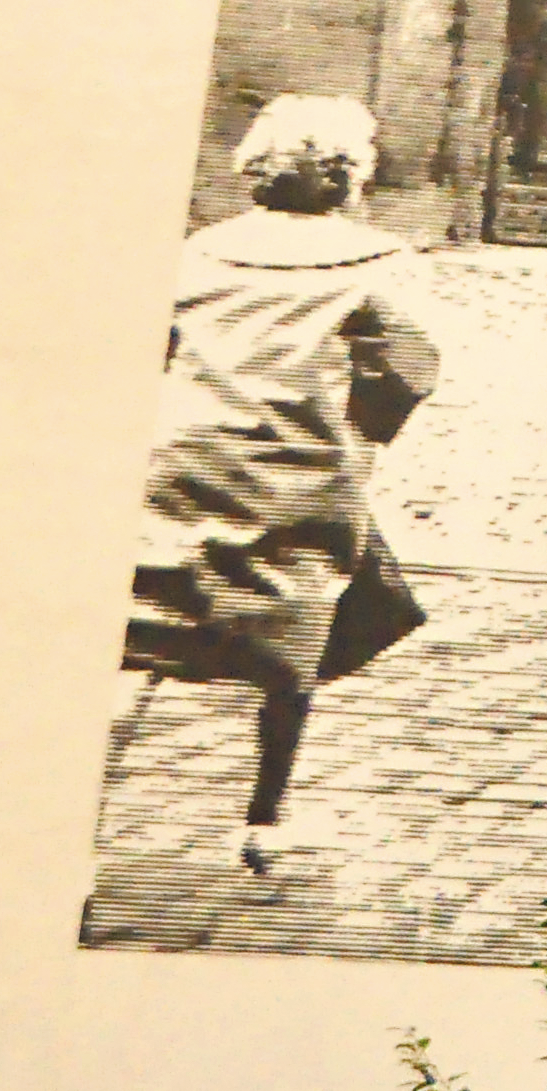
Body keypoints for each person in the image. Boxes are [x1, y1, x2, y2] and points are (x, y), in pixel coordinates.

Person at [127, 95, 439, 875]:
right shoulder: (379, 262)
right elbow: (408, 368)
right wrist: (361, 435)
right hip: (300, 474)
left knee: (147, 620)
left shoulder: (198, 251)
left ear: (254, 169)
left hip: (181, 464)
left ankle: (99, 770)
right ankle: (265, 817)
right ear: (350, 179)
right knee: (298, 638)